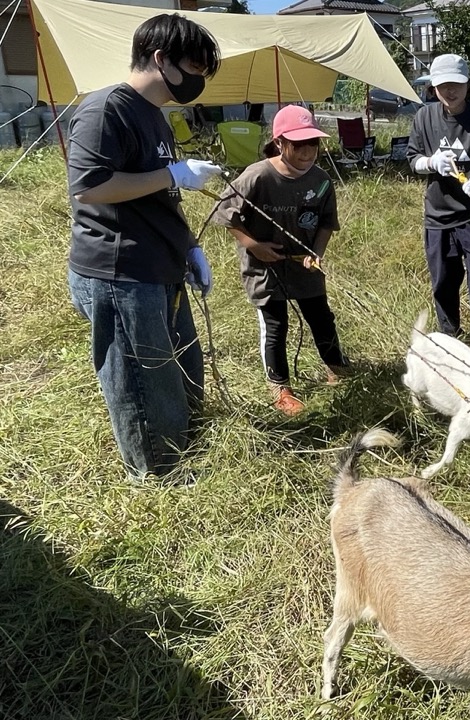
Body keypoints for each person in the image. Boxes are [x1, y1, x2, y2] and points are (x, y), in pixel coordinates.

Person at [65, 13, 222, 481]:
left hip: (160, 263)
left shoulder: (155, 117)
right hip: (120, 270)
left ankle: (188, 445)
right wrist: (172, 174)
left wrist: (189, 246)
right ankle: (158, 473)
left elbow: (158, 198)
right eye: (195, 68)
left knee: (181, 366)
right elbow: (88, 188)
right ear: (161, 59)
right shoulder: (105, 109)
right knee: (142, 378)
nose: (199, 80)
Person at [213, 105, 347, 416]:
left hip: (304, 263)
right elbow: (225, 215)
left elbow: (326, 222)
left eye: (312, 144)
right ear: (279, 143)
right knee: (276, 326)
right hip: (265, 265)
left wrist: (317, 252)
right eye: (298, 145)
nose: (306, 152)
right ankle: (280, 387)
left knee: (321, 318)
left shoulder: (321, 180)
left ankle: (336, 368)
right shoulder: (257, 175)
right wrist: (254, 246)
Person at [406, 53, 470, 338]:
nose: (450, 91)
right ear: (433, 87)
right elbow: (412, 158)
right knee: (443, 282)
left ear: (467, 85)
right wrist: (430, 163)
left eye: (457, 85)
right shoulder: (424, 117)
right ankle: (450, 337)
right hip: (439, 216)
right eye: (443, 85)